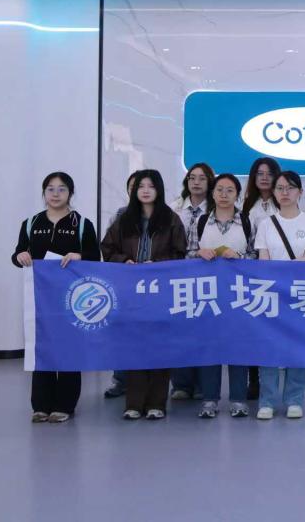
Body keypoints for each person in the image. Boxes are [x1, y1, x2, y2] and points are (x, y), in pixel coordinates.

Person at [12, 172, 101, 423]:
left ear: (70, 193)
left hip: (73, 299)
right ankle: (41, 405)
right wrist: (20, 256)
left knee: (69, 349)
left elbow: (95, 257)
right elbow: (18, 254)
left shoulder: (82, 224)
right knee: (42, 348)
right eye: (50, 189)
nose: (55, 194)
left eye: (62, 189)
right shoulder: (31, 223)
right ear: (44, 193)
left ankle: (65, 405)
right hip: (41, 299)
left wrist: (79, 256)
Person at [101, 169, 187, 420]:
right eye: (141, 186)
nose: (146, 190)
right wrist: (124, 260)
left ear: (159, 190)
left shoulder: (171, 219)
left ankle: (156, 404)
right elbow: (107, 248)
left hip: (161, 293)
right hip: (132, 293)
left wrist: (157, 264)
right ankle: (134, 403)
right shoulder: (124, 219)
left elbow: (180, 253)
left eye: (151, 186)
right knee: (135, 347)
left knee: (160, 347)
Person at [253, 171, 305, 420]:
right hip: (272, 294)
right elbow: (263, 260)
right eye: (280, 188)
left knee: (298, 348)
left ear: (300, 192)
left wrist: (284, 272)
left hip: (300, 294)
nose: (285, 192)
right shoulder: (265, 224)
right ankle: (267, 401)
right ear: (273, 192)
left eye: (290, 188)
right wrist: (279, 277)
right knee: (269, 348)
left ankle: (295, 399)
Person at [189, 173, 256, 419]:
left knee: (239, 346)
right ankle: (209, 399)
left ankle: (238, 399)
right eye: (220, 190)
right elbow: (187, 253)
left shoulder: (247, 221)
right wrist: (199, 254)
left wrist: (238, 257)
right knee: (210, 345)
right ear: (213, 193)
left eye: (230, 190)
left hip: (238, 294)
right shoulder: (201, 221)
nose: (224, 195)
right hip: (207, 295)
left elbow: (256, 256)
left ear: (237, 194)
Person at [170, 162, 215, 401]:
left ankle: (201, 385)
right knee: (180, 332)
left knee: (205, 332)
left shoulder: (217, 209)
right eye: (192, 178)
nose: (196, 182)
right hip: (178, 277)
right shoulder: (174, 208)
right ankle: (181, 384)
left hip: (206, 278)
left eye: (202, 178)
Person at [241, 156, 281, 399]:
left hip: (280, 274)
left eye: (269, 173)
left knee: (278, 329)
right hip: (254, 274)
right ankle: (254, 379)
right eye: (260, 173)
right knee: (254, 330)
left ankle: (276, 381)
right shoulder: (246, 207)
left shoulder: (284, 202)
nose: (264, 178)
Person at [104, 170, 140, 399]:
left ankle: (149, 384)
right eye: (135, 186)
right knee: (123, 334)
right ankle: (121, 380)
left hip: (154, 285)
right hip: (124, 283)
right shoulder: (120, 215)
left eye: (146, 186)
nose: (140, 191)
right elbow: (108, 248)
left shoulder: (165, 217)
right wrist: (124, 260)